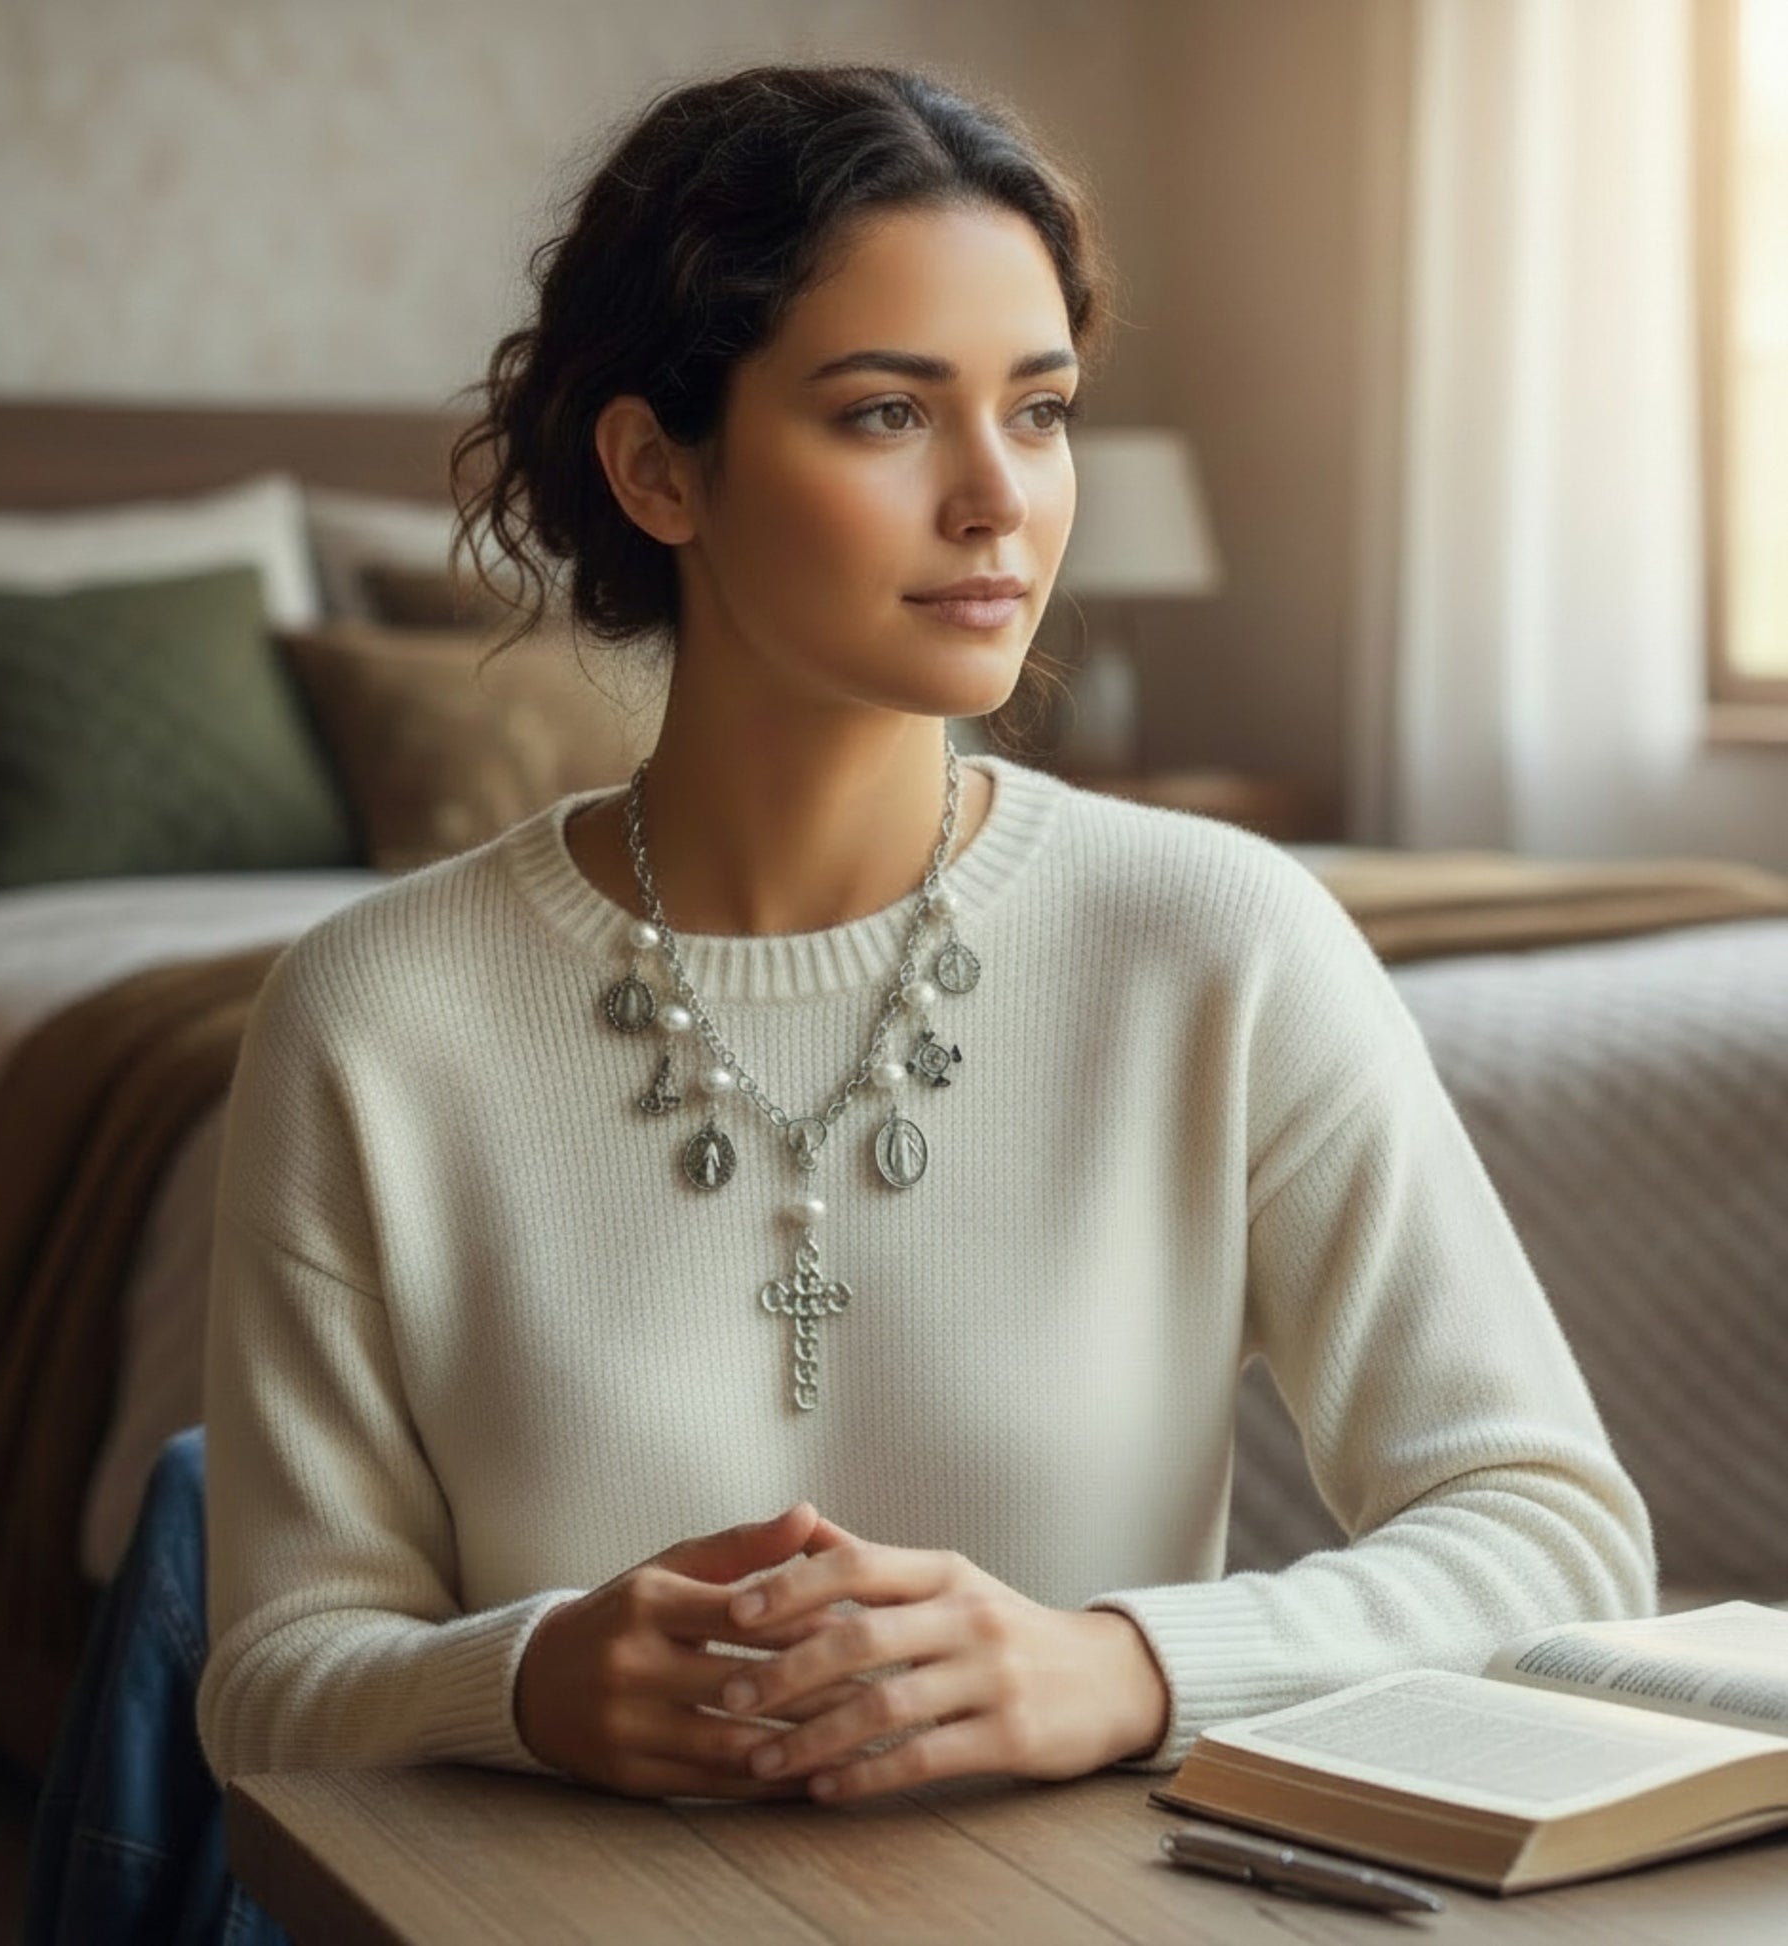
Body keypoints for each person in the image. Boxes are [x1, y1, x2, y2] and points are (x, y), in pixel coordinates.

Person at [195, 62, 1655, 1809]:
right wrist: (522, 1680)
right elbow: (270, 1684)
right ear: (659, 469)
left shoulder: (1222, 938)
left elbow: (1557, 1540)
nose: (998, 502)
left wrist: (1117, 1665)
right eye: (888, 413)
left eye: (1036, 411)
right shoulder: (373, 1014)